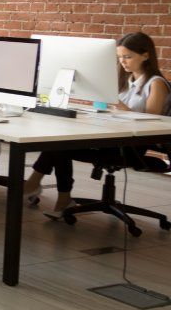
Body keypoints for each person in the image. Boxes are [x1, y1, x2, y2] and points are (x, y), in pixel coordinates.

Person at [23, 31, 170, 216]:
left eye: (128, 57)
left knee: (60, 146)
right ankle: (60, 196)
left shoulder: (156, 84)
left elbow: (153, 122)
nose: (123, 61)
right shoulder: (126, 81)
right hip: (112, 136)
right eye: (119, 57)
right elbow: (115, 109)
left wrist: (120, 106)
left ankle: (40, 186)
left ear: (145, 55)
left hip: (131, 146)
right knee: (59, 144)